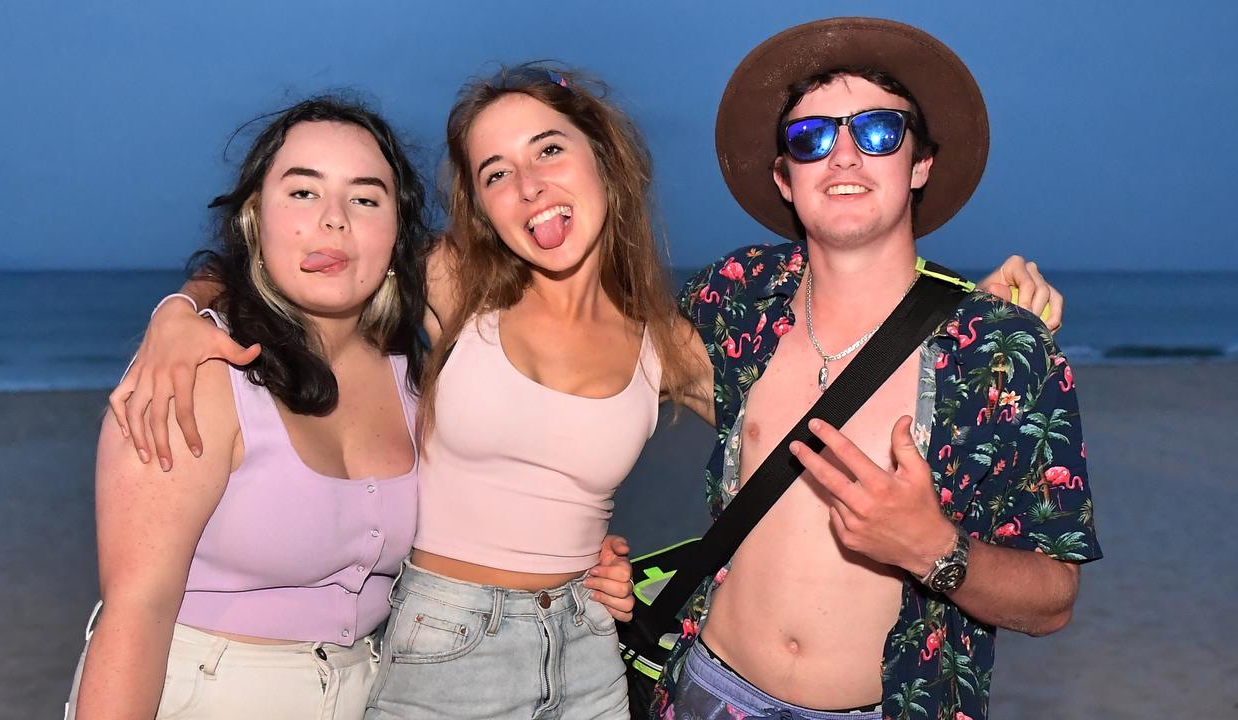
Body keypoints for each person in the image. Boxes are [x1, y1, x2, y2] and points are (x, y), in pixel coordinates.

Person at [110, 65, 1065, 718]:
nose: (529, 187)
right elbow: (311, 263)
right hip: (447, 638)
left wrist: (953, 316)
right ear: (479, 203)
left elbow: (825, 379)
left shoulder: (665, 335)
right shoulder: (452, 285)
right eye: (496, 174)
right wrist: (184, 311)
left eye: (550, 151)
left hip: (591, 646)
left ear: (603, 159)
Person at [656, 17, 1101, 720]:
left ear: (920, 162)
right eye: (810, 139)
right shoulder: (735, 294)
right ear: (783, 176)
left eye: (877, 133)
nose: (842, 156)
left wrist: (936, 549)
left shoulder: (1003, 352)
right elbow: (600, 362)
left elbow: (1052, 599)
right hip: (712, 691)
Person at [67, 97, 432, 719]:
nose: (333, 221)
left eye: (366, 198)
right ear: (254, 220)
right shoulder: (199, 375)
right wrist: (180, 308)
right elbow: (135, 613)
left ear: (397, 232)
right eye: (302, 193)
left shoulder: (416, 384)